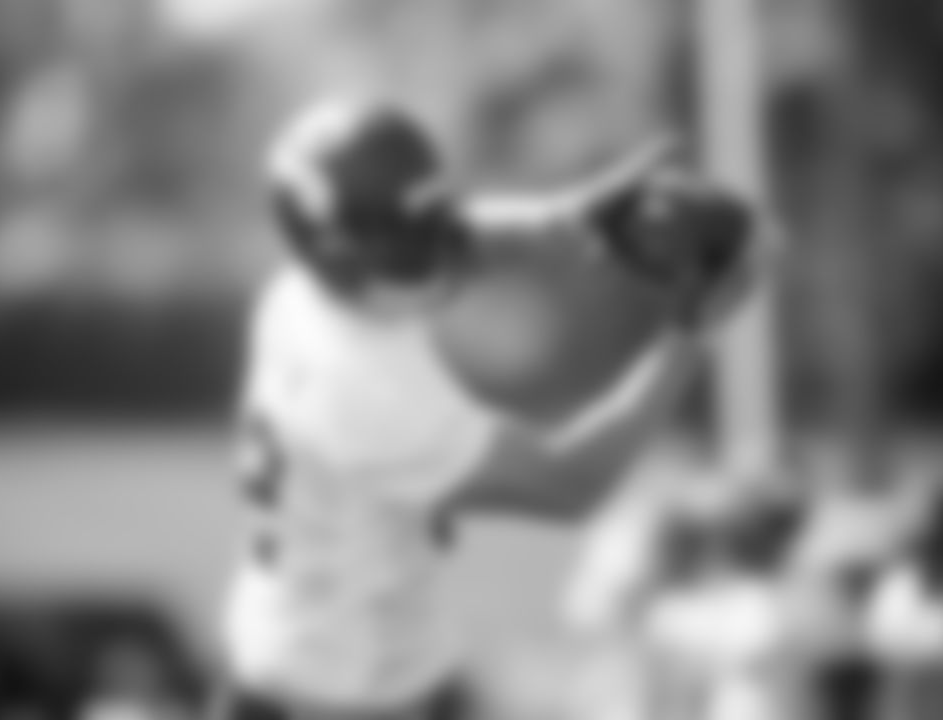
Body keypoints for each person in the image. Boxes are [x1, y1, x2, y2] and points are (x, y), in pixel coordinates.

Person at [214, 95, 760, 720]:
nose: (431, 263)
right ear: (334, 254)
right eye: (404, 252)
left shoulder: (298, 294)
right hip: (339, 699)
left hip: (330, 669)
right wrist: (690, 338)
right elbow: (570, 485)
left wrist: (564, 216)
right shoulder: (364, 391)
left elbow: (453, 226)